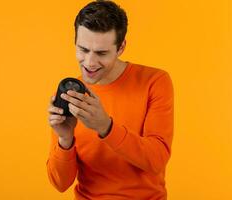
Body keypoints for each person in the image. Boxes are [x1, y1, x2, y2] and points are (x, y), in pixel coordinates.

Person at [46, 0, 174, 199]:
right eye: (83, 49)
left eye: (101, 53)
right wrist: (65, 139)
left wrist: (105, 127)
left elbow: (156, 160)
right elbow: (60, 183)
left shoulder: (155, 81)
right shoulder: (72, 92)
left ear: (121, 47)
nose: (89, 62)